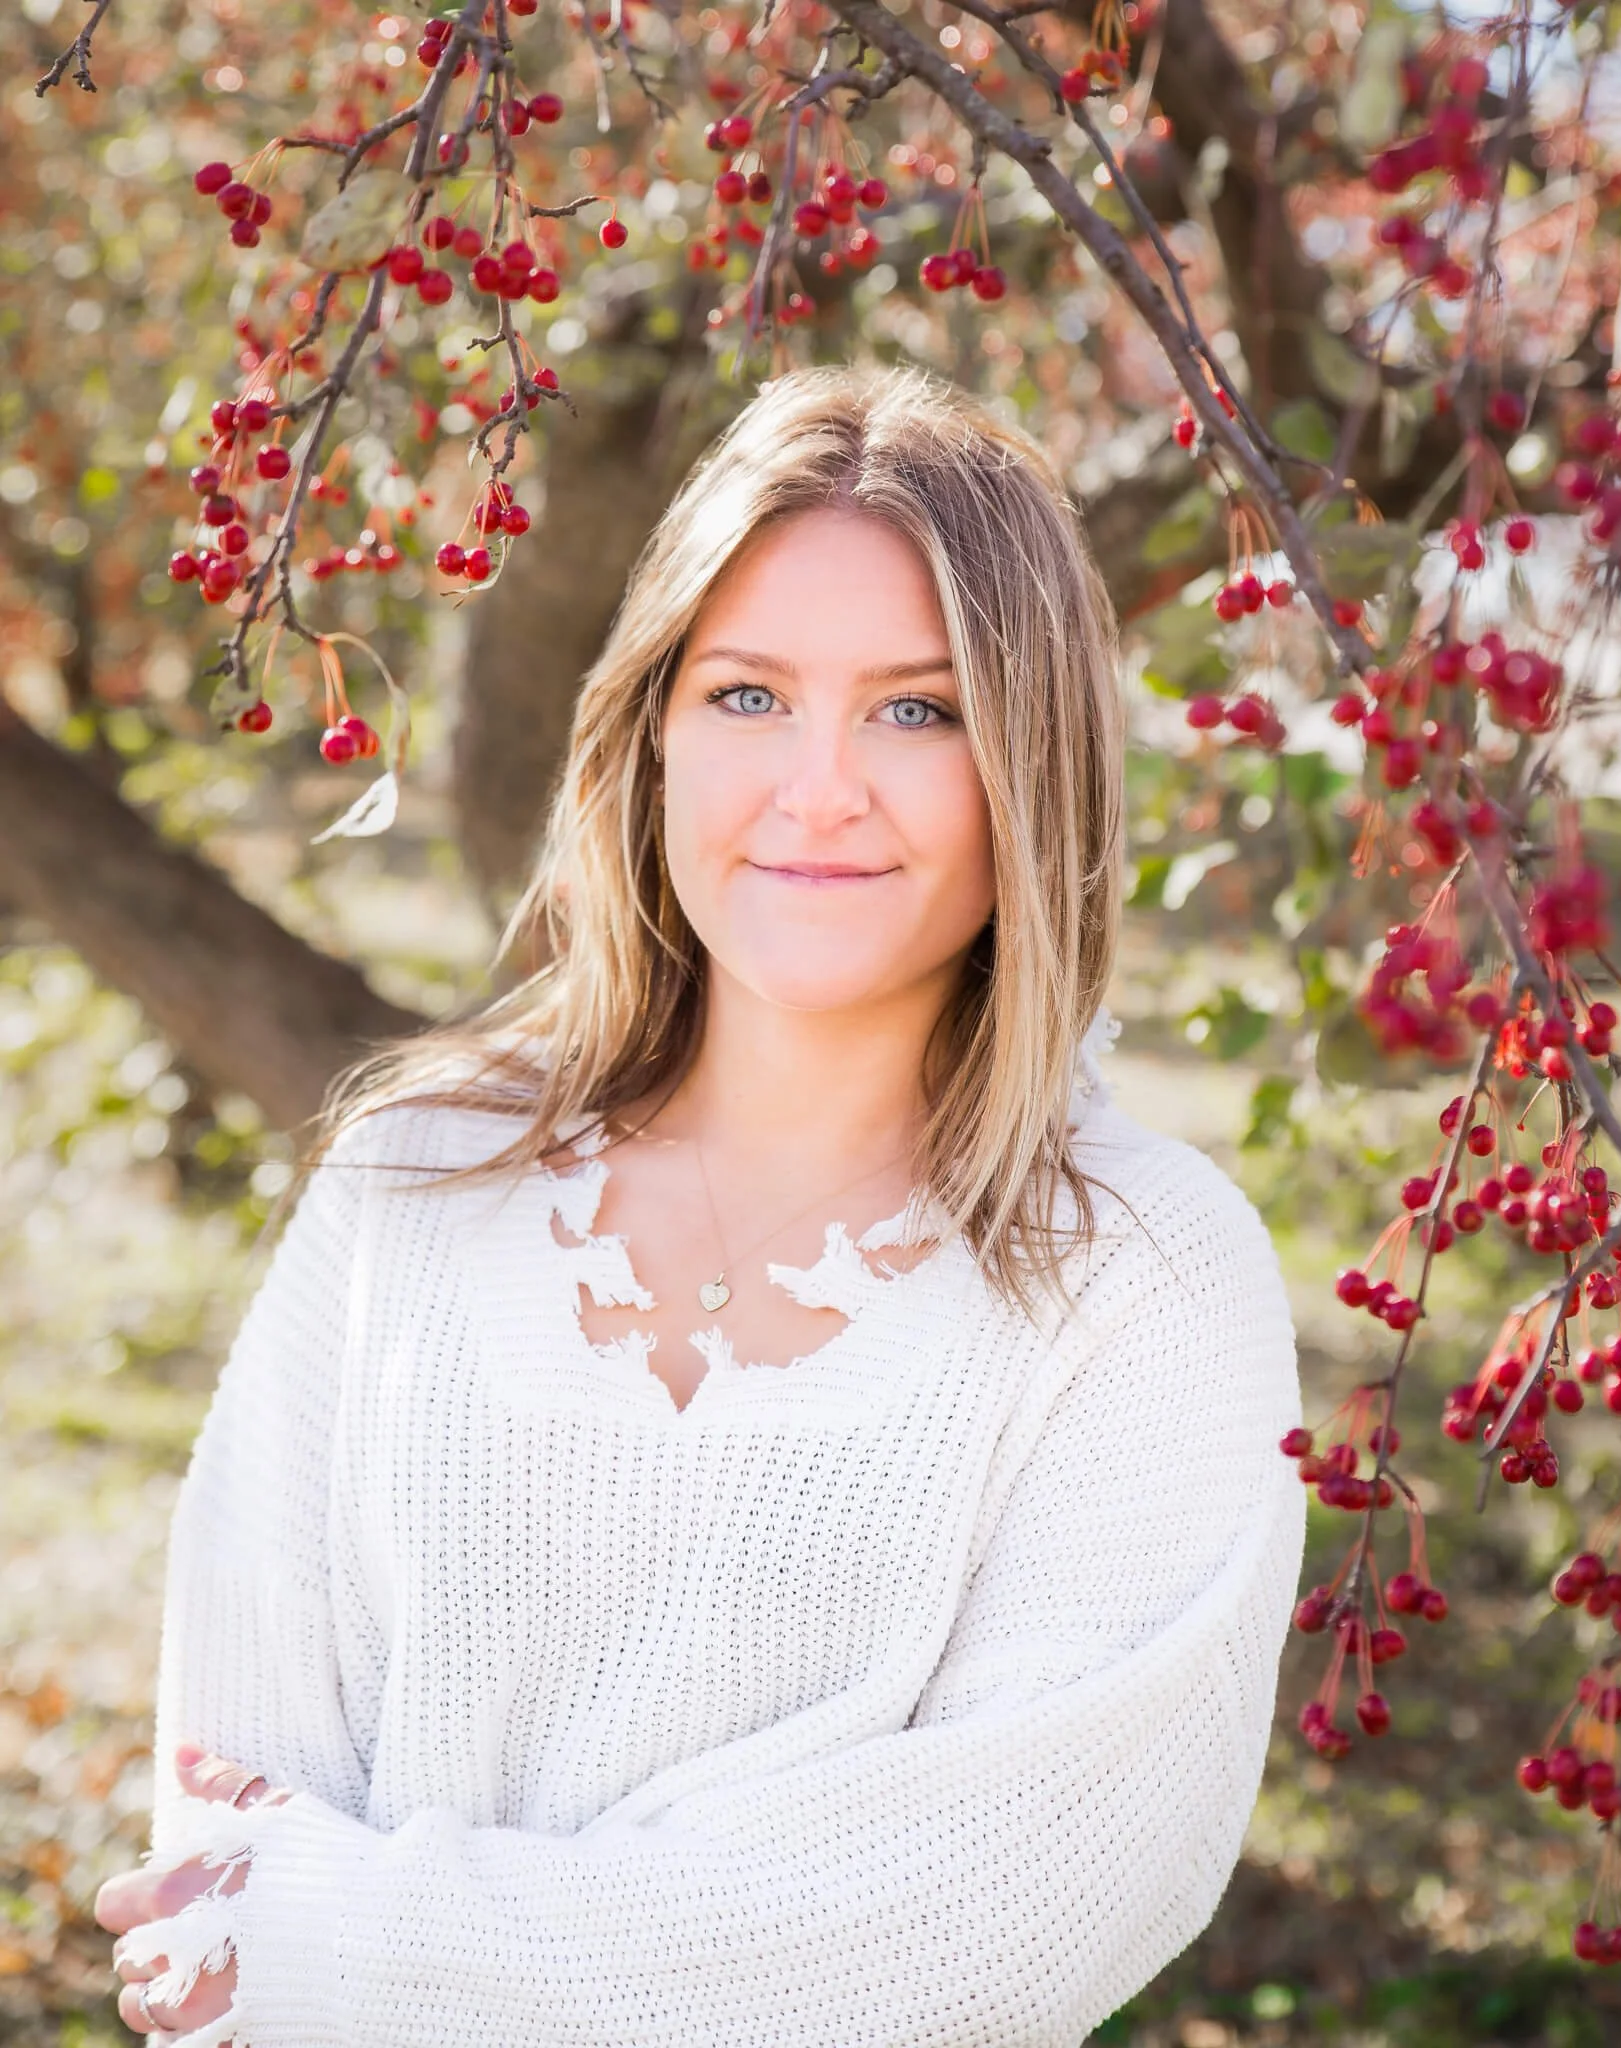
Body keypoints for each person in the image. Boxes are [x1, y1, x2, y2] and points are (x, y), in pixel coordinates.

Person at [95, 362, 1306, 2048]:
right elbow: (224, 1822)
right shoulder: (419, 1176)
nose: (817, 789)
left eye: (917, 708)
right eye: (746, 696)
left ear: (1034, 763)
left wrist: (360, 1948)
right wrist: (298, 1931)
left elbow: (993, 1917)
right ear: (650, 731)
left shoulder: (1142, 1278)